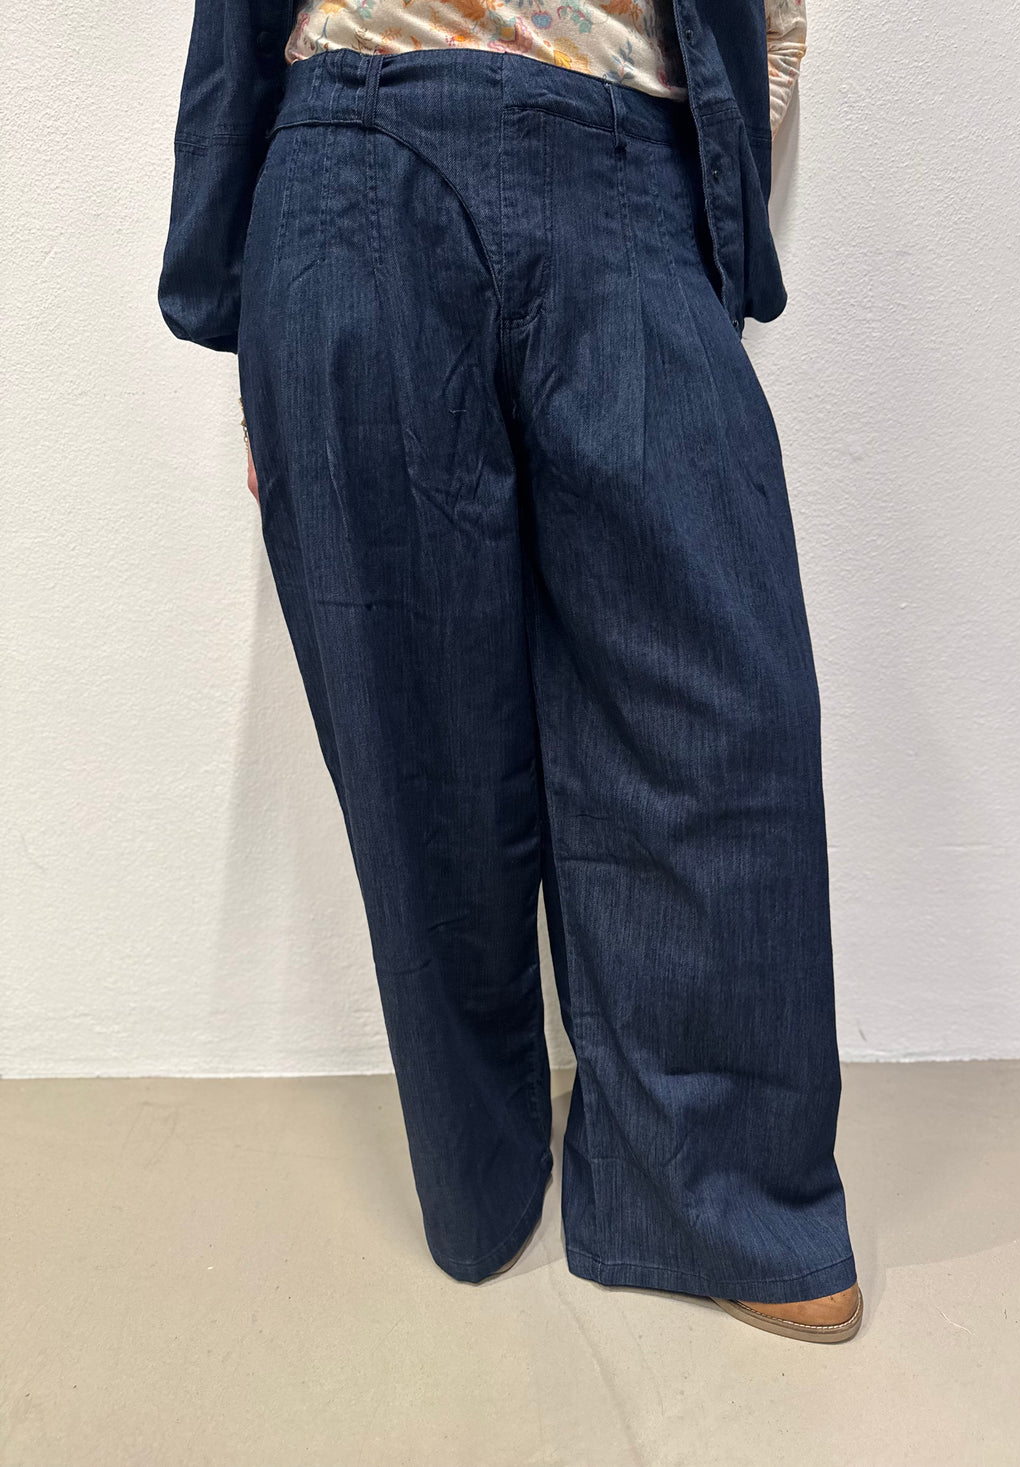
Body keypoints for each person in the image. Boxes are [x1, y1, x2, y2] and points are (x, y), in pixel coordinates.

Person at [159, 0, 864, 1345]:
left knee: (725, 707)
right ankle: (481, 1170)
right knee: (419, 731)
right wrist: (248, 321)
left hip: (629, 163)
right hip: (351, 157)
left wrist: (713, 208)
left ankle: (727, 1196)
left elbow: (772, 27)